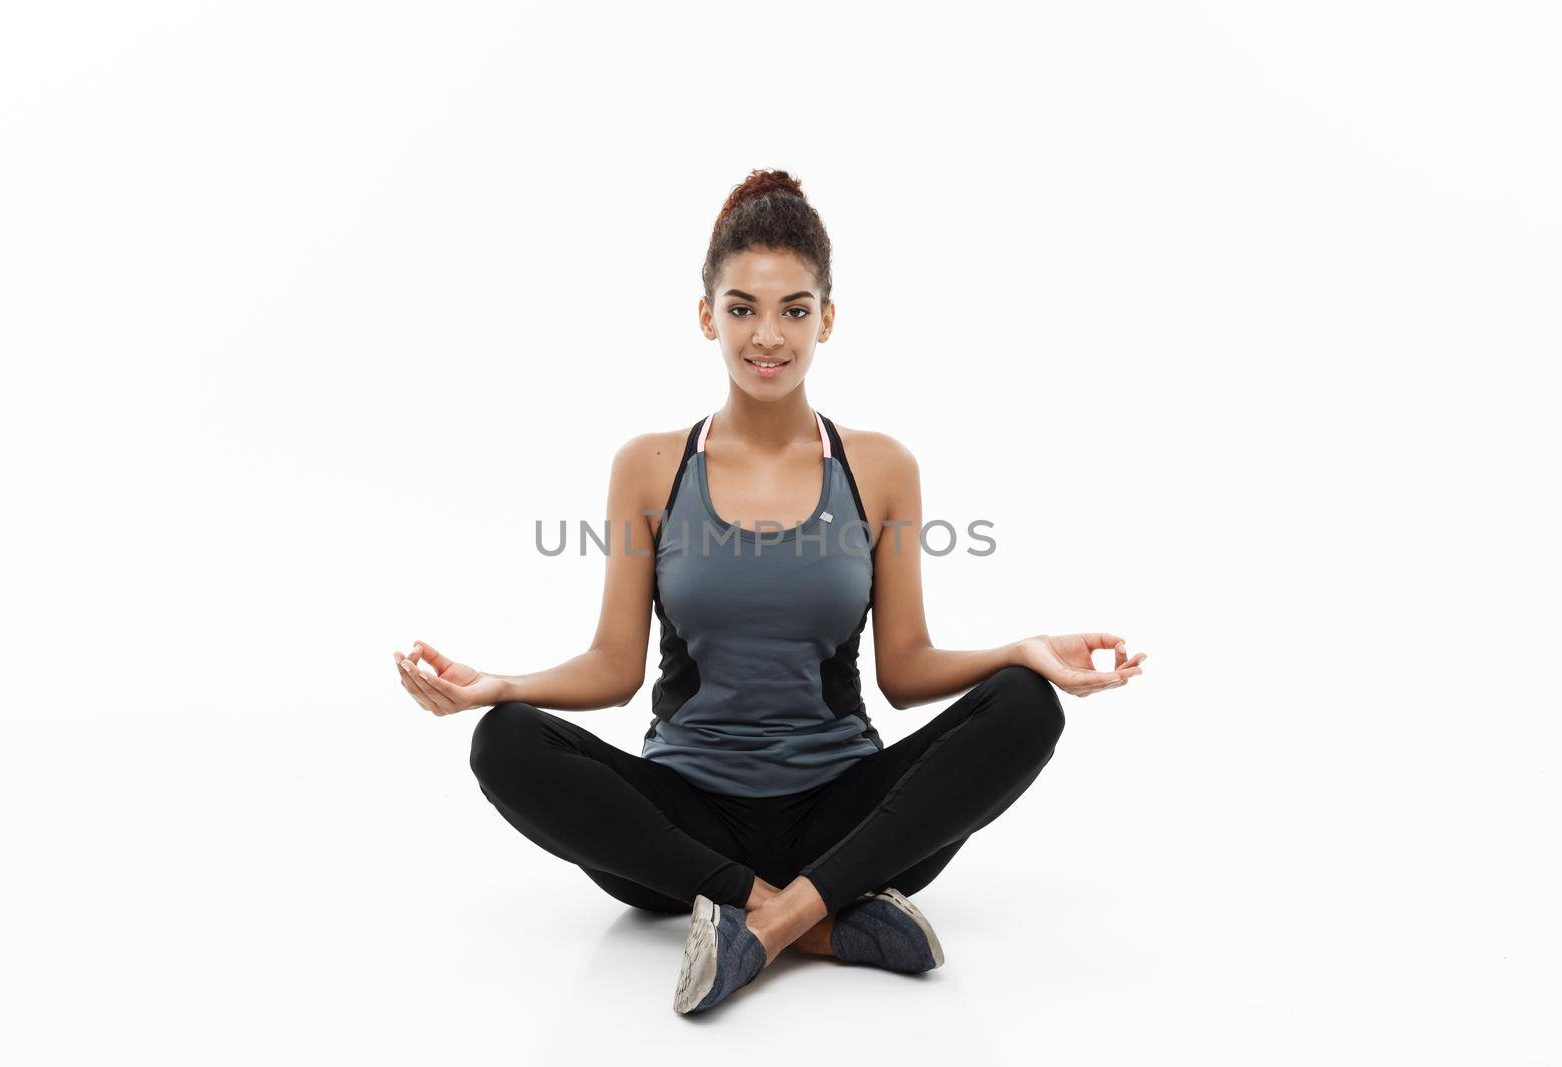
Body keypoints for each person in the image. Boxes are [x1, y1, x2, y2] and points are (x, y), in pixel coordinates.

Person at [393, 168, 1147, 1015]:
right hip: (684, 826)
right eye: (743, 307)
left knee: (1028, 704)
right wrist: (501, 685)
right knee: (504, 742)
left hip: (848, 820)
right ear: (707, 314)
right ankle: (818, 923)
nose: (768, 336)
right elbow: (614, 666)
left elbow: (904, 668)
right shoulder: (648, 467)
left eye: (794, 309)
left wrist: (1020, 650)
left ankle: (759, 922)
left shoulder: (879, 466)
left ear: (827, 317)